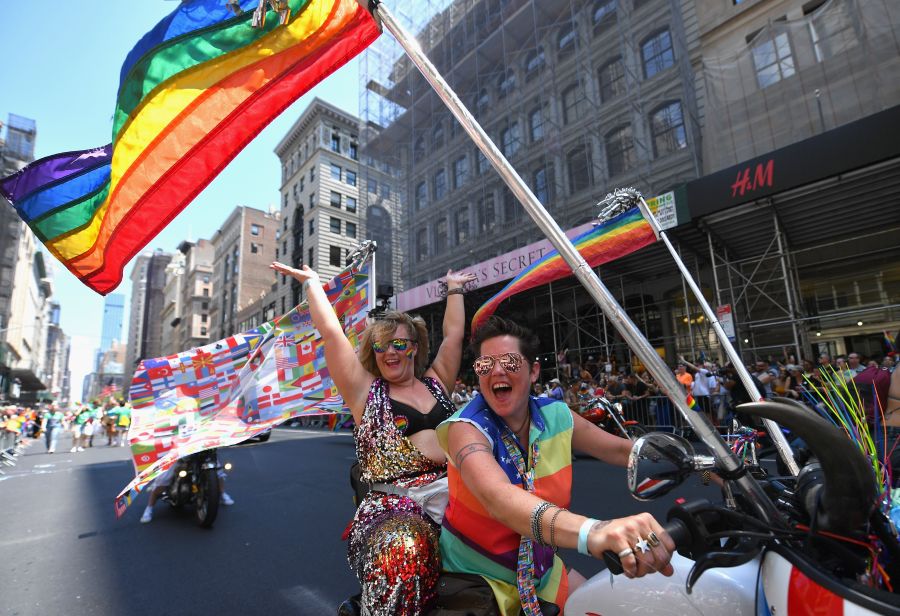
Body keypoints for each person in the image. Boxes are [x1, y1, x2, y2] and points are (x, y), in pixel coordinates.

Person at [272, 261, 476, 616]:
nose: (391, 352)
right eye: (382, 346)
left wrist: (454, 288)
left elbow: (455, 335)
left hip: (458, 499)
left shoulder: (437, 381)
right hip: (394, 510)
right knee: (404, 545)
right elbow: (333, 334)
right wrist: (314, 285)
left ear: (414, 347)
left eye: (400, 343)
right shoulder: (365, 392)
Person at [435, 317, 675, 614]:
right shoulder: (465, 427)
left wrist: (710, 466)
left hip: (543, 574)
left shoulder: (558, 416)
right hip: (477, 586)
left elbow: (622, 451)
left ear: (533, 371)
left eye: (509, 361)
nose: (497, 370)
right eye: (485, 364)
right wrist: (595, 531)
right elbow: (496, 497)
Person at [140, 461, 234, 523]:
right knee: (162, 479)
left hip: (203, 450)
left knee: (218, 471)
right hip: (181, 453)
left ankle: (221, 493)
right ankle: (149, 508)